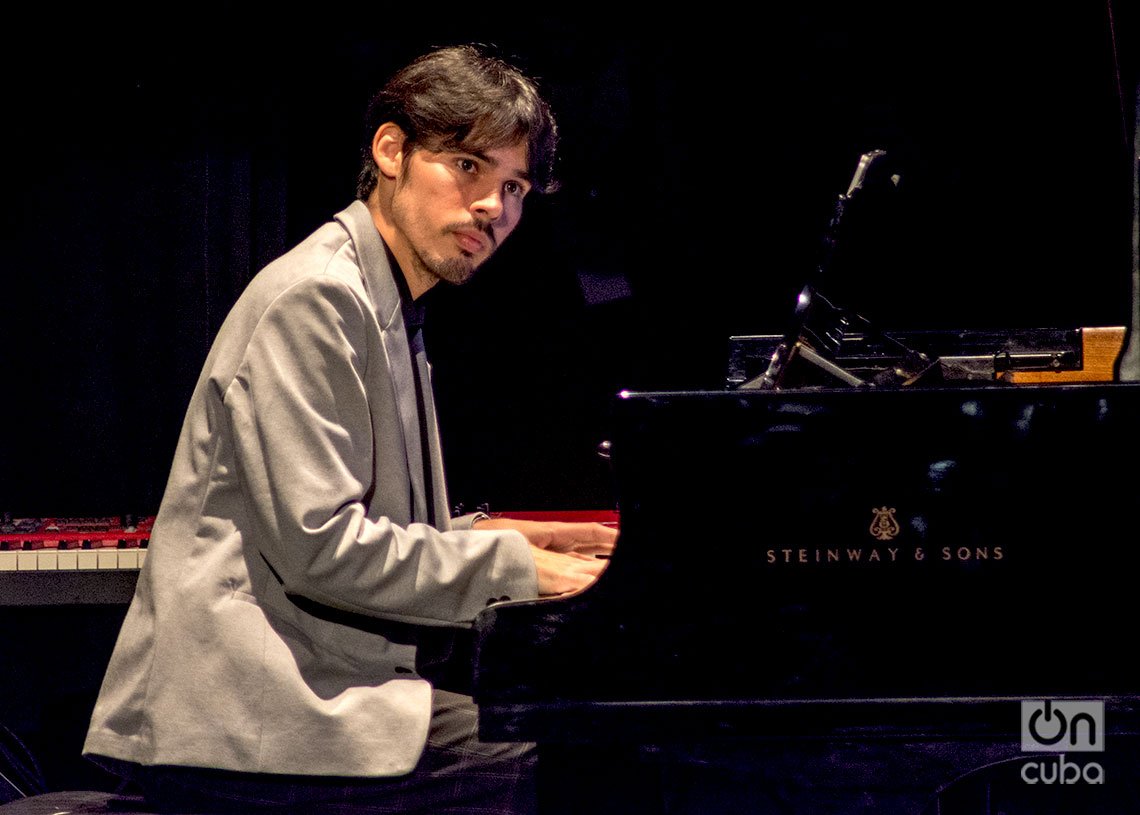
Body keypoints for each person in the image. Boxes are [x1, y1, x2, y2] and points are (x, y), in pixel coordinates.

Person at [83, 44, 616, 814]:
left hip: (304, 694)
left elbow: (369, 524)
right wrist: (520, 569)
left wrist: (510, 533)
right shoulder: (318, 298)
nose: (492, 207)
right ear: (391, 150)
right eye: (467, 166)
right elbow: (322, 548)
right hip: (255, 717)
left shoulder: (385, 301)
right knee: (573, 756)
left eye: (514, 186)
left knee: (573, 735)